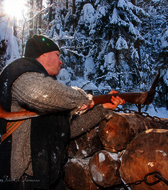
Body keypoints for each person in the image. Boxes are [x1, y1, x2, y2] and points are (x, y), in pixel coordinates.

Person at [0, 35, 125, 190]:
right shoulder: (21, 75)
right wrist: (85, 99)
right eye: (57, 55)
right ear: (43, 54)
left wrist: (102, 109)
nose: (61, 61)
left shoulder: (52, 90)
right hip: (24, 180)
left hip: (49, 177)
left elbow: (68, 129)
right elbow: (41, 93)